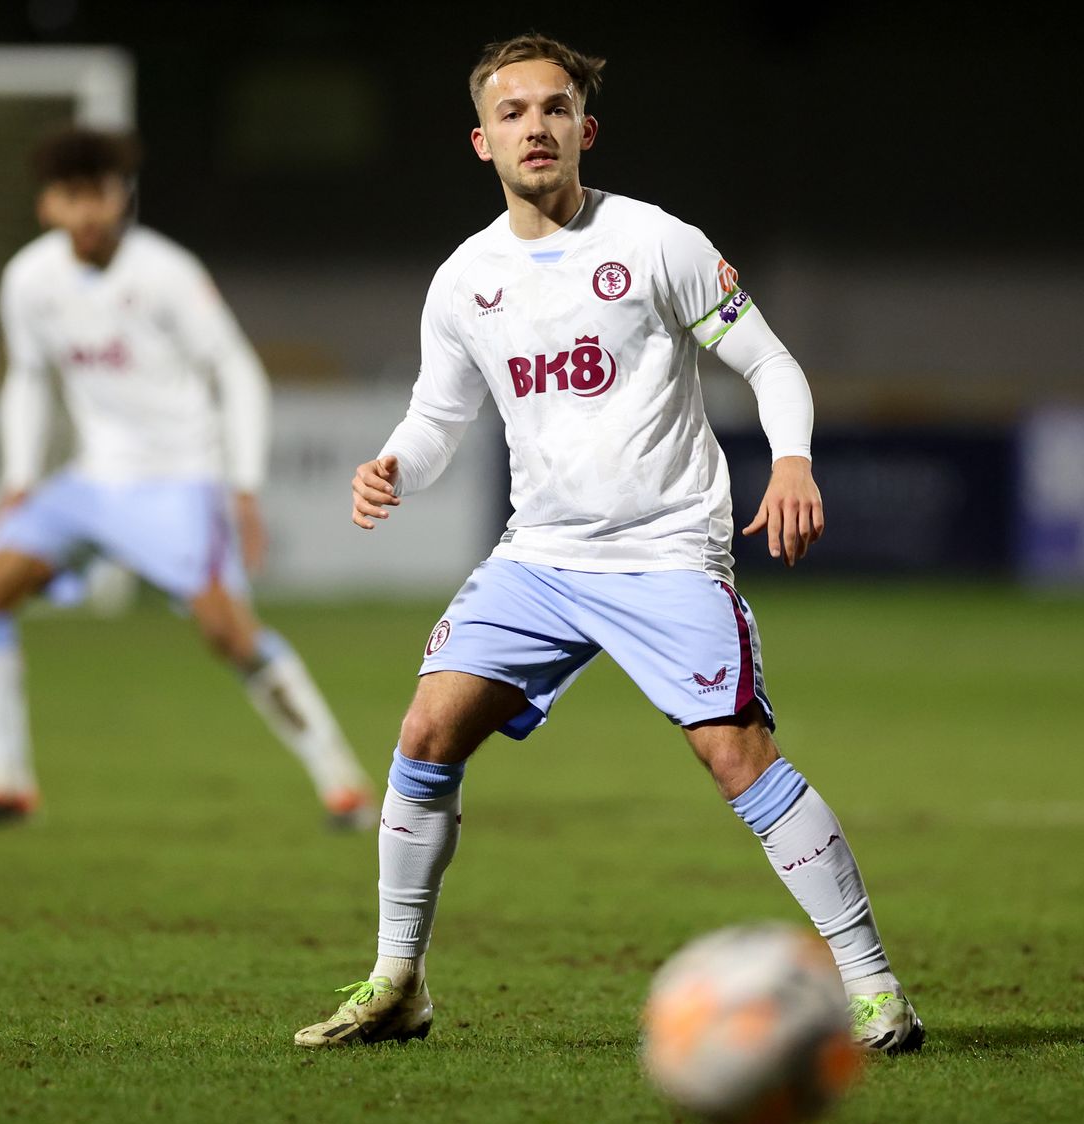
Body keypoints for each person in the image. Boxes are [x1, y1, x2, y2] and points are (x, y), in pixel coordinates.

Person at [294, 34, 923, 1055]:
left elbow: (769, 363)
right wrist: (395, 467)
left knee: (737, 757)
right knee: (424, 734)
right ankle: (399, 981)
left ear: (585, 130)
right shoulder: (465, 280)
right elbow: (437, 416)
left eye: (553, 109)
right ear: (481, 140)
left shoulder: (656, 241)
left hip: (666, 549)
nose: (533, 127)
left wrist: (794, 460)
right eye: (512, 112)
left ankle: (875, 988)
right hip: (539, 557)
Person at [0, 128, 377, 828]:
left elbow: (235, 369)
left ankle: (344, 786)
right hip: (88, 484)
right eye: (71, 197)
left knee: (228, 634)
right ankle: (8, 786)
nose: (87, 212)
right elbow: (27, 376)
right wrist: (19, 481)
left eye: (99, 194)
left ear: (122, 196)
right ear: (48, 205)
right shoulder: (28, 279)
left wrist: (245, 484)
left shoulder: (165, 272)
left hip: (178, 482)